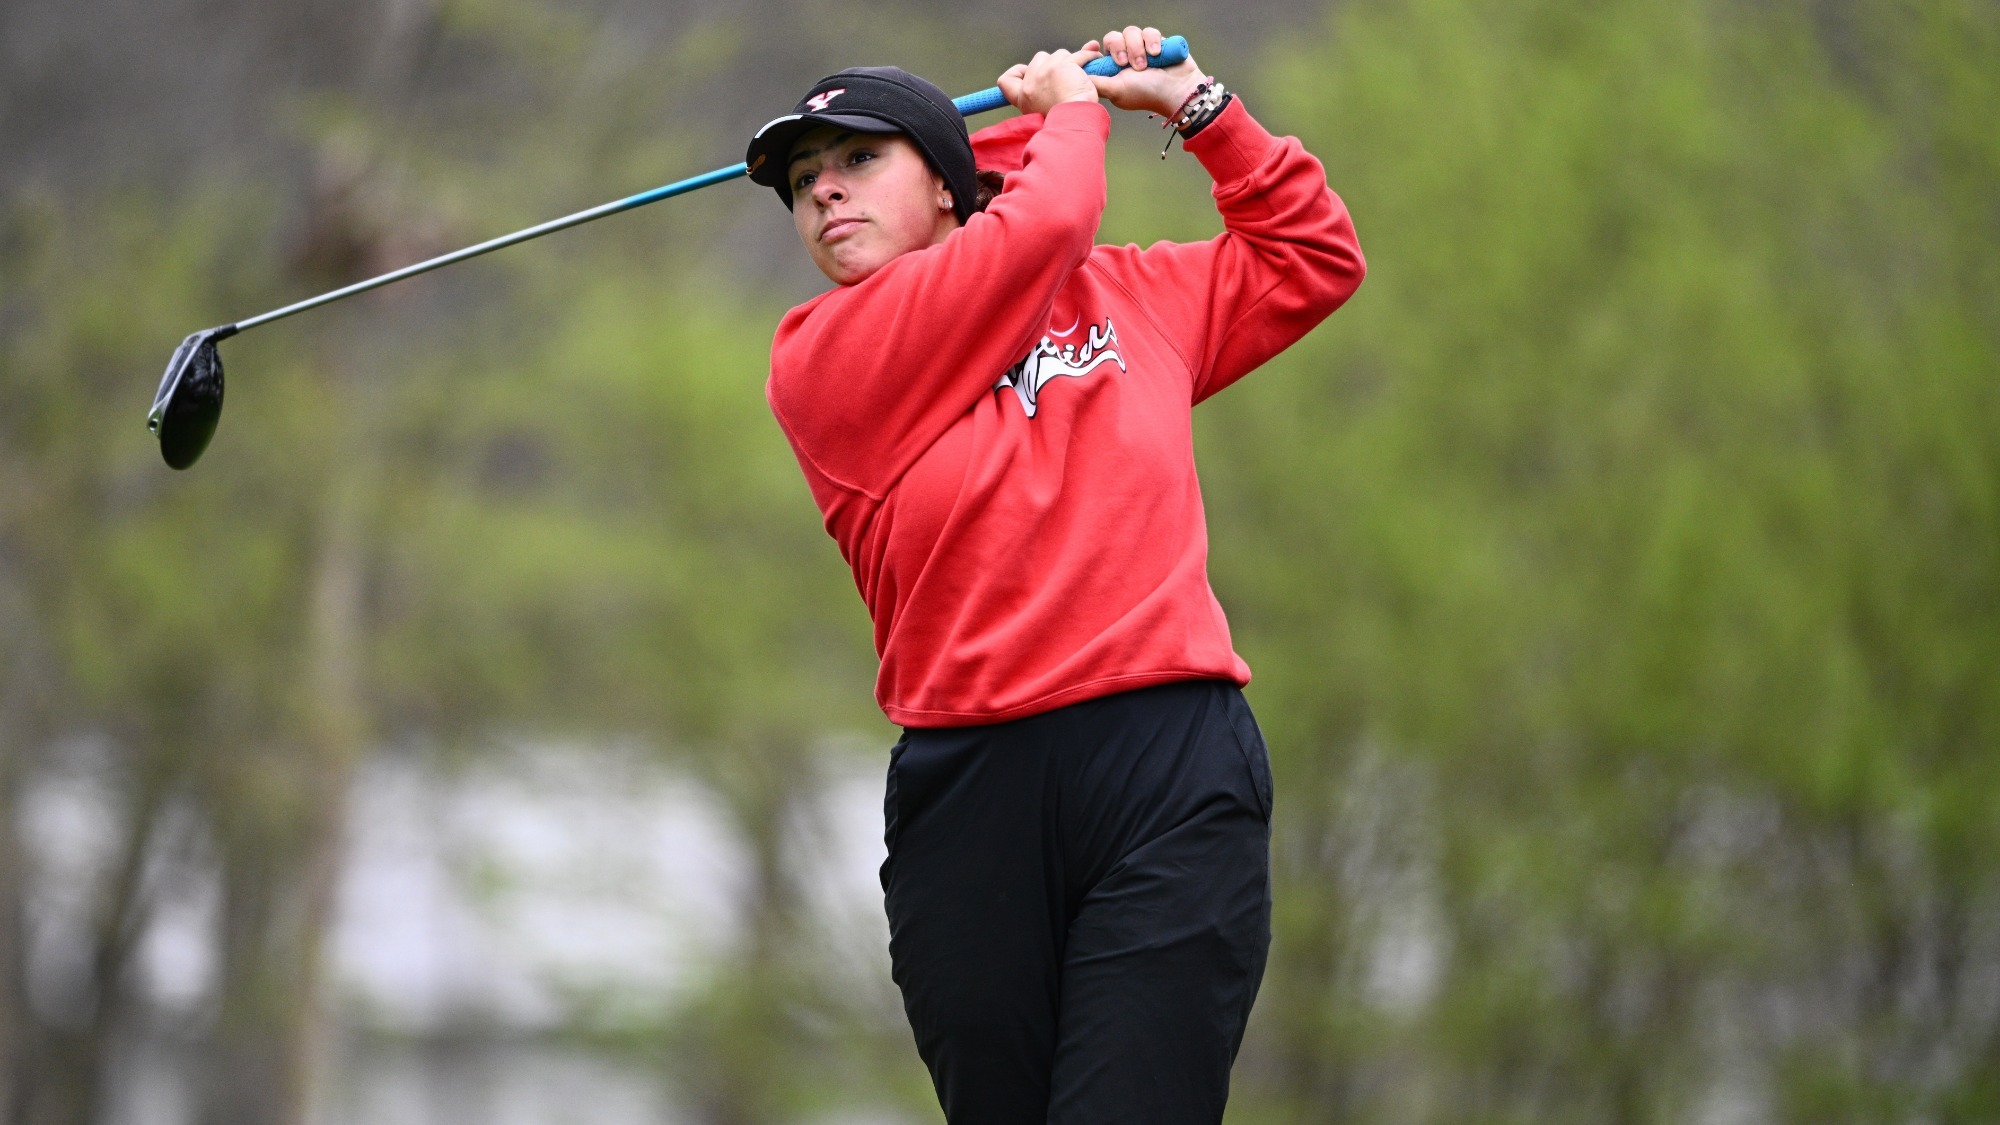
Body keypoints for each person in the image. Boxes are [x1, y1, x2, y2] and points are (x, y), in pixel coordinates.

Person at [743, 26, 1364, 1123]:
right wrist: (1070, 112)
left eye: (855, 161)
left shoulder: (1126, 301)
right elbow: (1046, 220)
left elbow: (1308, 258)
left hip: (1166, 768)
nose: (823, 196)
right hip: (971, 794)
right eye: (803, 182)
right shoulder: (823, 357)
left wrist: (1195, 107)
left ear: (945, 182)